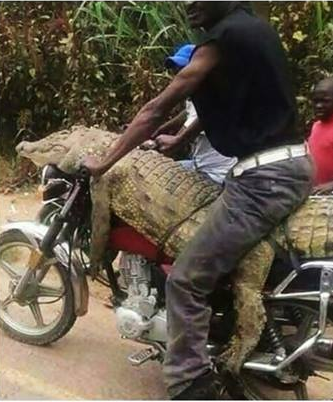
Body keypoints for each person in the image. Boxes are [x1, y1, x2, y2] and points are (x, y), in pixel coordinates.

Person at [84, 2, 313, 399]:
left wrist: (104, 161)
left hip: (263, 180)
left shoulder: (222, 38)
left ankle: (189, 383)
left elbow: (156, 109)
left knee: (187, 280)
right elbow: (236, 103)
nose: (188, 3)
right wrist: (181, 140)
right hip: (288, 166)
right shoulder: (252, 29)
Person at [152, 44, 237, 185]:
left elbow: (176, 142)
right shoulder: (196, 97)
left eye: (183, 69)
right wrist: (159, 130)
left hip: (216, 175)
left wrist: (148, 145)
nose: (178, 74)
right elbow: (186, 114)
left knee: (158, 181)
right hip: (199, 165)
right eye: (177, 70)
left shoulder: (211, 100)